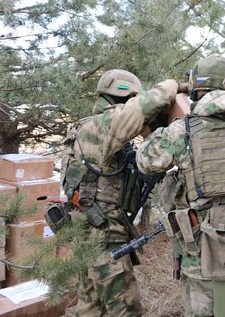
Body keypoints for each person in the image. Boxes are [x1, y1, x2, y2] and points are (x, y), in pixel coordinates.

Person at [136, 55, 225, 317]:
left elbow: (145, 162)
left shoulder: (182, 131)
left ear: (195, 89)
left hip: (201, 246)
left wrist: (157, 129)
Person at [60, 69, 185, 317]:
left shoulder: (86, 127)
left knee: (91, 307)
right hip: (102, 237)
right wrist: (177, 85)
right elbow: (144, 106)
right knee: (125, 310)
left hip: (88, 233)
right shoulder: (103, 125)